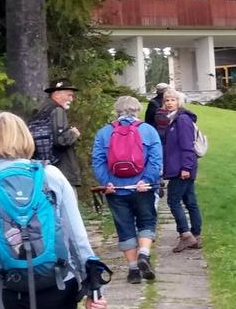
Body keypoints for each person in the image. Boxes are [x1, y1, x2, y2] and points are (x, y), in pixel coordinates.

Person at [0, 112, 107, 309]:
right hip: (58, 286)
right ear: (26, 137)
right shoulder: (51, 176)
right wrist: (95, 288)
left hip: (4, 291)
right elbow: (77, 237)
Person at [92, 96, 163, 284]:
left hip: (115, 189)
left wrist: (107, 182)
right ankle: (144, 255)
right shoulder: (148, 130)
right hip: (142, 188)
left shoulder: (104, 133)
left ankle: (132, 270)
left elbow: (98, 161)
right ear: (137, 110)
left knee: (124, 227)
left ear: (117, 110)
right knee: (147, 220)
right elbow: (156, 160)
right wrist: (147, 180)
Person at [161, 89, 203, 252]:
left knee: (173, 200)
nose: (169, 103)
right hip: (179, 167)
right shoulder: (172, 120)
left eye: (172, 100)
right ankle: (196, 235)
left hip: (182, 168)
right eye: (167, 100)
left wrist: (186, 167)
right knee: (190, 201)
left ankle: (185, 235)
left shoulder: (182, 120)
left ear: (179, 102)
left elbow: (187, 145)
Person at [35, 78, 82, 190]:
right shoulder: (57, 110)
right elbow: (60, 141)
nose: (71, 99)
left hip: (43, 169)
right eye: (69, 95)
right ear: (56, 94)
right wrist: (73, 133)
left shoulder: (40, 111)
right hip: (62, 171)